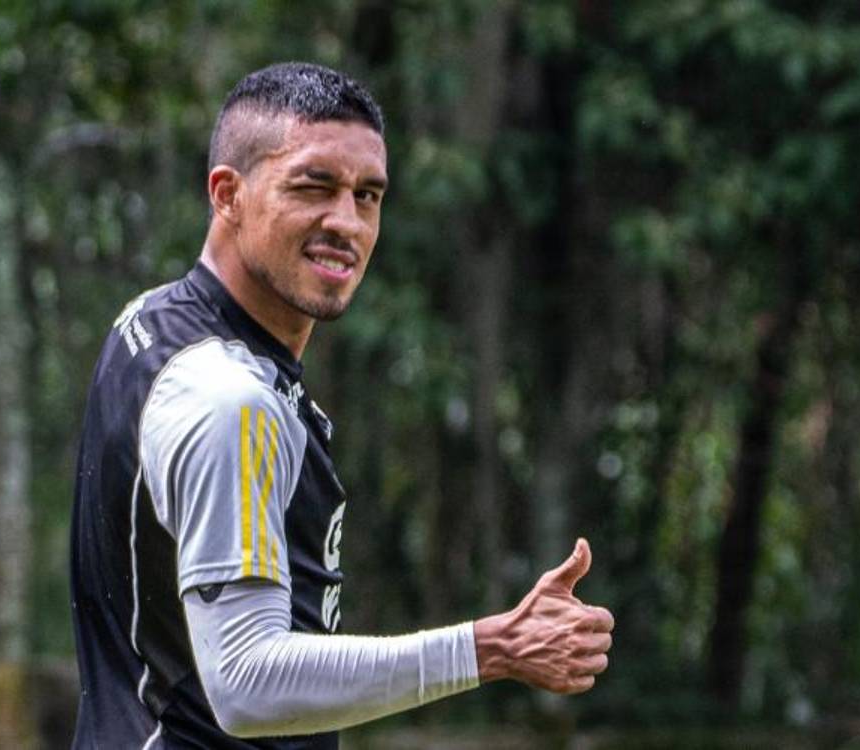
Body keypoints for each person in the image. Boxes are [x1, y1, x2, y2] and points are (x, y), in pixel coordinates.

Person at [68, 61, 613, 749]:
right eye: (313, 187)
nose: (346, 223)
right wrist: (492, 647)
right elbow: (245, 682)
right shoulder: (230, 402)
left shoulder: (150, 321)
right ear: (228, 194)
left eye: (368, 195)